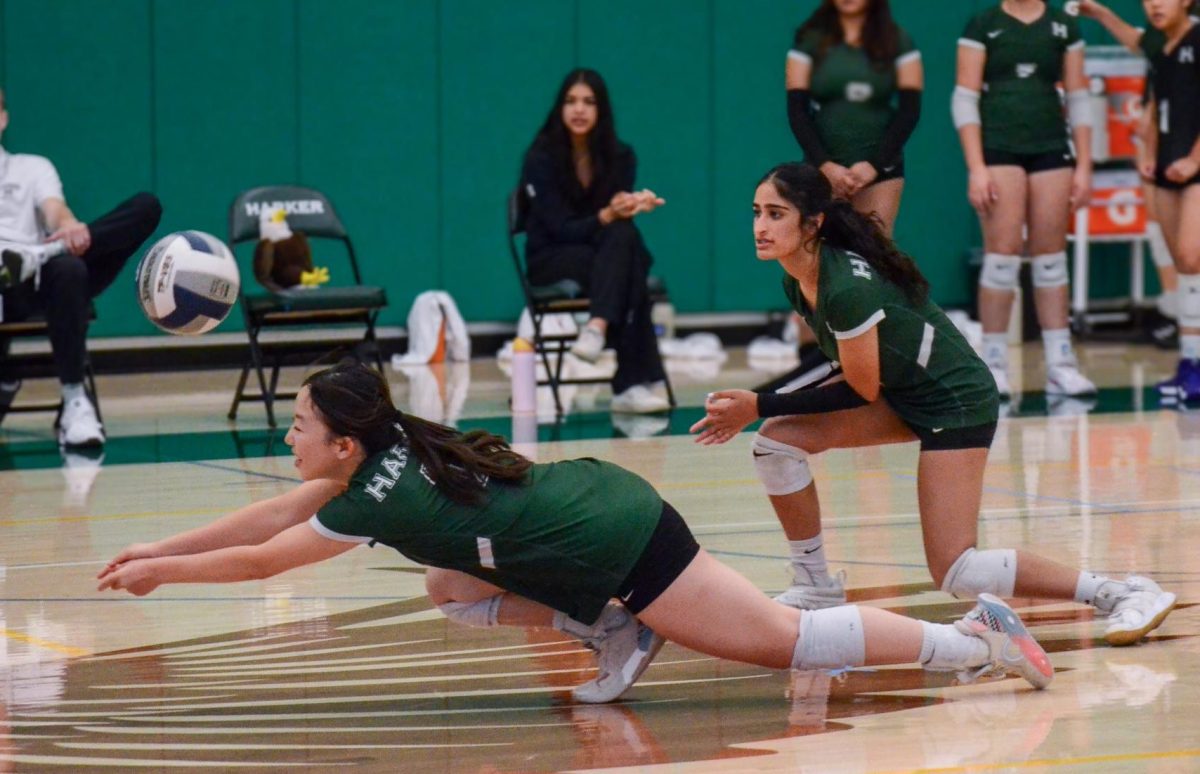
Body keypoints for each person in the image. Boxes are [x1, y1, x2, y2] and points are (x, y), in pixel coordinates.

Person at [98, 360, 1056, 704]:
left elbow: (269, 555)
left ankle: (971, 641)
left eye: (299, 424)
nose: (288, 435)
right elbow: (274, 513)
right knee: (448, 586)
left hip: (621, 538)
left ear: (343, 445)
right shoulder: (386, 457)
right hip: (600, 505)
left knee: (785, 640)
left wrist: (164, 579)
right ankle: (612, 628)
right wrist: (158, 549)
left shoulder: (370, 501)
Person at [690, 162, 1175, 647]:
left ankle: (1120, 592)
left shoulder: (846, 290)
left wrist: (760, 403)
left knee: (957, 569)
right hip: (903, 393)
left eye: (776, 214)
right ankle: (815, 586)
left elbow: (859, 390)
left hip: (954, 401)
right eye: (756, 212)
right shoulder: (799, 277)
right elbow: (846, 368)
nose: (760, 226)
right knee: (777, 443)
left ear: (812, 223)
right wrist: (763, 405)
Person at [0, 87, 162, 445]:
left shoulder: (31, 167)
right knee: (67, 270)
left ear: (3, 118)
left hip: (38, 279)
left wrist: (70, 228)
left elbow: (54, 208)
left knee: (145, 207)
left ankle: (75, 400)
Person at [953, 0, 1097, 401]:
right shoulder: (983, 23)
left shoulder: (1063, 25)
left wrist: (1085, 165)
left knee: (1051, 258)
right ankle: (994, 365)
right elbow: (964, 97)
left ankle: (1061, 364)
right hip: (999, 148)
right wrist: (976, 166)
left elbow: (1079, 96)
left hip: (1051, 146)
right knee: (1002, 256)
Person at [520, 69, 670, 414]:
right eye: (571, 101)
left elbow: (613, 223)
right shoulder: (540, 157)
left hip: (602, 257)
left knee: (624, 239)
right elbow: (558, 228)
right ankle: (632, 383)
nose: (579, 110)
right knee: (630, 260)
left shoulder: (620, 156)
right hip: (551, 257)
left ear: (601, 109)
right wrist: (606, 216)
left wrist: (629, 206)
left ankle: (596, 328)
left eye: (589, 102)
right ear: (559, 108)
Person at [1079, 0, 1200, 402]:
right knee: (1184, 264)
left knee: (1191, 254)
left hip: (1193, 166)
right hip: (1166, 166)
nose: (1154, 4)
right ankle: (1191, 363)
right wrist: (1147, 153)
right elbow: (1152, 108)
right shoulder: (1159, 47)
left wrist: (1194, 159)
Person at [786, 0, 922, 236]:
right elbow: (797, 111)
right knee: (822, 253)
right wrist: (825, 165)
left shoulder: (898, 40)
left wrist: (875, 165)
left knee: (875, 253)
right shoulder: (809, 40)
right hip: (822, 169)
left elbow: (909, 110)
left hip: (880, 171)